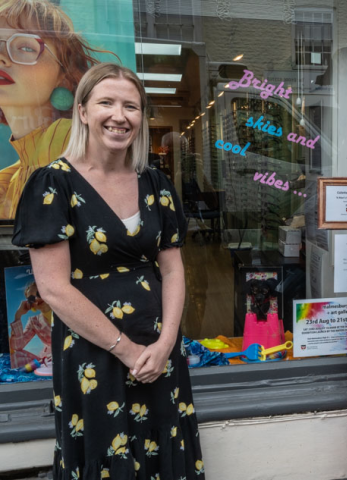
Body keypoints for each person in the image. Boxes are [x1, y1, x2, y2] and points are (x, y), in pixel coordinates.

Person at [12, 63, 205, 479]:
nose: (120, 116)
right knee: (104, 452)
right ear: (82, 111)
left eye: (131, 106)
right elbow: (54, 288)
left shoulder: (155, 183)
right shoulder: (53, 185)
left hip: (159, 351)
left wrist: (166, 343)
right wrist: (127, 350)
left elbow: (173, 271)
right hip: (94, 354)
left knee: (164, 446)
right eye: (107, 103)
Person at [0, 0, 111, 219]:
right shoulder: (10, 177)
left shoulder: (69, 141)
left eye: (25, 47)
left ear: (64, 76)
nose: (1, 56)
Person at [8, 281, 52, 367]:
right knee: (14, 357)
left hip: (67, 353)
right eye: (31, 298)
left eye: (39, 293)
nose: (36, 298)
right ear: (31, 305)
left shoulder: (65, 311)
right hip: (47, 358)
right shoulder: (34, 321)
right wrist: (18, 315)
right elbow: (17, 346)